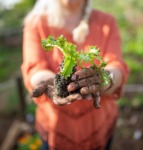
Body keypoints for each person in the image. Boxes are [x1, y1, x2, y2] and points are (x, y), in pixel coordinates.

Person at [21, 0, 129, 149]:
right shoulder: (36, 23)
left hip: (99, 126)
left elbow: (115, 65)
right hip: (56, 127)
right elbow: (35, 67)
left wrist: (106, 79)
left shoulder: (106, 22)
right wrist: (49, 82)